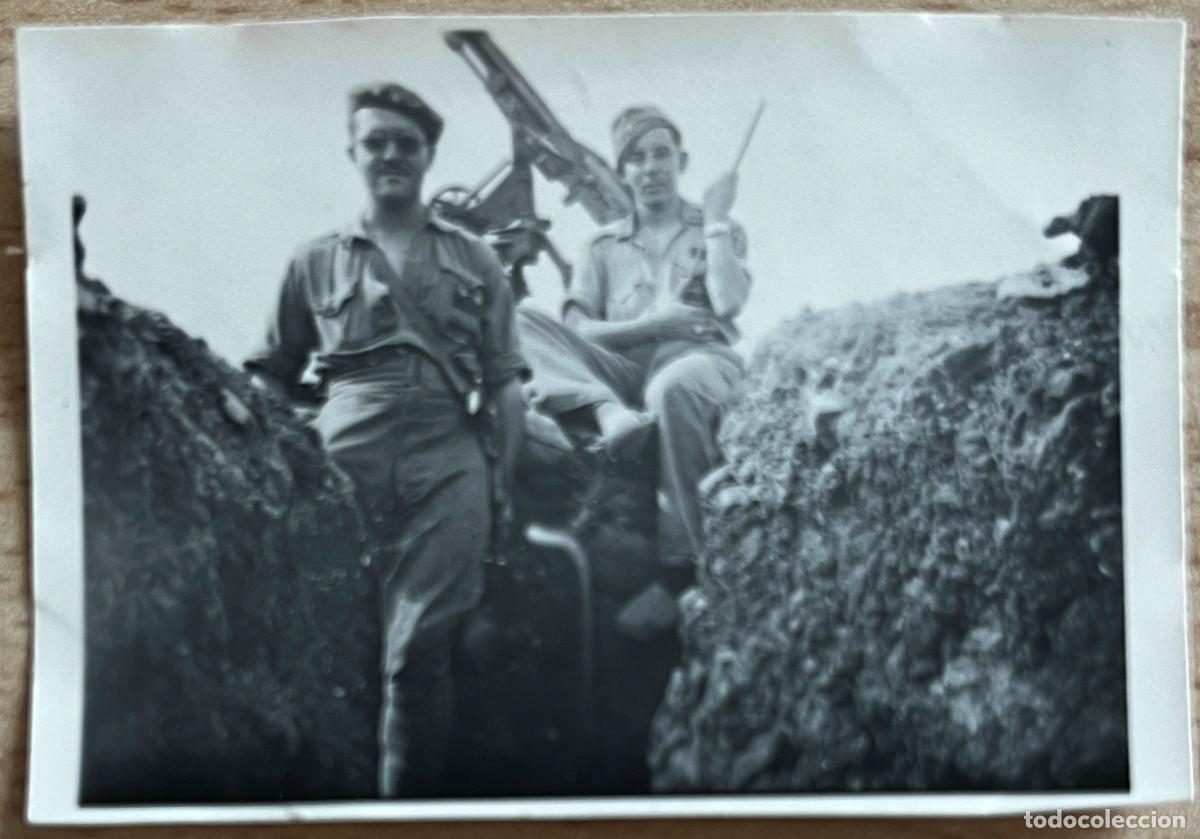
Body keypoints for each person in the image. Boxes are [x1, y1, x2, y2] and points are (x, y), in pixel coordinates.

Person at [244, 83, 528, 797]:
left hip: (447, 459)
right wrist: (270, 467)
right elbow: (272, 374)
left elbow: (503, 383)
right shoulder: (315, 259)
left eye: (407, 143)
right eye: (376, 142)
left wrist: (502, 482)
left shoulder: (476, 258)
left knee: (418, 656)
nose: (391, 155)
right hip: (343, 458)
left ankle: (401, 808)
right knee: (328, 647)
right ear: (353, 152)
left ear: (429, 155)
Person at [517, 104, 751, 613]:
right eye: (637, 158)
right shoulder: (601, 247)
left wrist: (714, 221)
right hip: (624, 376)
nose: (651, 168)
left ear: (682, 160)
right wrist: (654, 325)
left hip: (700, 361)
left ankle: (681, 571)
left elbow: (730, 303)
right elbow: (580, 329)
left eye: (662, 154)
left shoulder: (715, 230)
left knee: (673, 387)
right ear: (622, 172)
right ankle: (611, 417)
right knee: (524, 321)